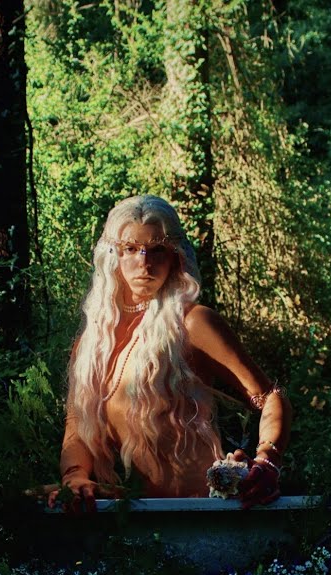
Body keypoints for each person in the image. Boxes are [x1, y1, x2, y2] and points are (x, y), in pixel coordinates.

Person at [48, 195, 291, 513]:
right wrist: (75, 476)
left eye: (157, 249)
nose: (144, 262)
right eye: (131, 249)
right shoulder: (91, 344)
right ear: (112, 257)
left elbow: (270, 396)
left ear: (175, 256)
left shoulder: (194, 323)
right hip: (126, 521)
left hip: (202, 515)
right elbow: (77, 424)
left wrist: (266, 461)